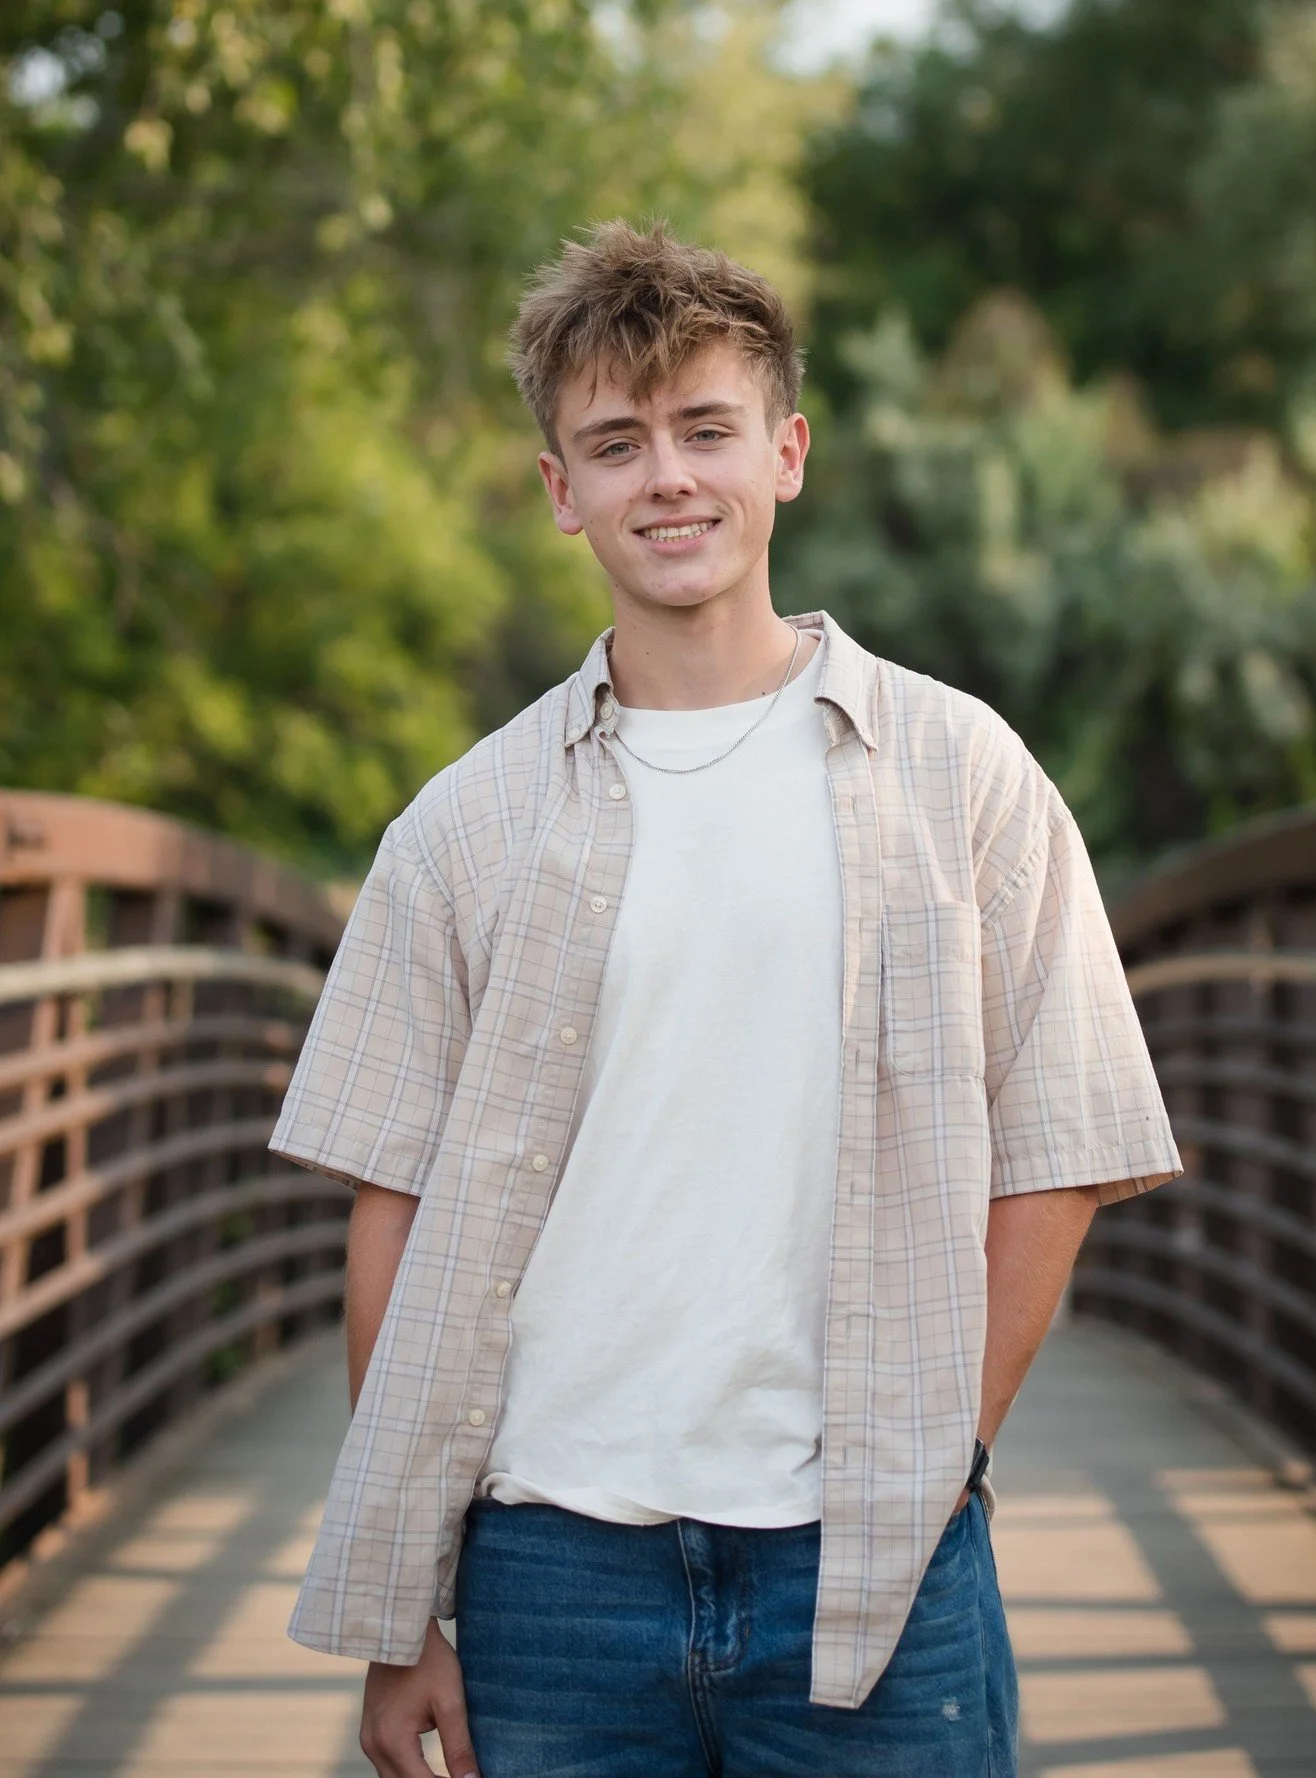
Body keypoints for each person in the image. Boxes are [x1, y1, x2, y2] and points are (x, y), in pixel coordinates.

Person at [271, 220, 1181, 1778]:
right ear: (562, 491)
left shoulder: (962, 774)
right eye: (615, 444)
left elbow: (1070, 1140)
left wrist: (941, 1452)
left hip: (872, 1552)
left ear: (788, 451)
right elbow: (393, 1213)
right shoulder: (462, 828)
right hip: (552, 1566)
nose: (668, 478)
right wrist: (399, 1606)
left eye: (706, 429)